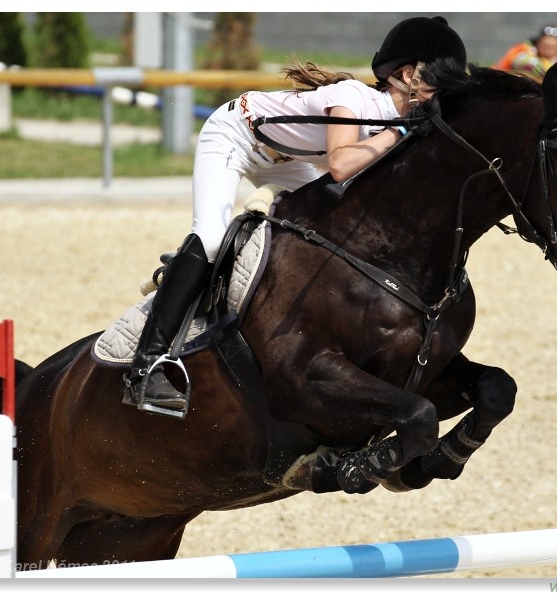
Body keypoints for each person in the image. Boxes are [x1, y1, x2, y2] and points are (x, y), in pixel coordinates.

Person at [124, 16, 468, 413]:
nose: (444, 92)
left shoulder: (405, 119)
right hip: (237, 135)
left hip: (285, 159)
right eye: (439, 81)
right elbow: (340, 165)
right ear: (406, 75)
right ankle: (145, 365)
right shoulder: (354, 97)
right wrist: (402, 133)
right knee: (213, 236)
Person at [493, 25, 557, 79]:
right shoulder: (528, 51)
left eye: (554, 47)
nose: (549, 50)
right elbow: (520, 60)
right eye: (546, 46)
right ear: (538, 44)